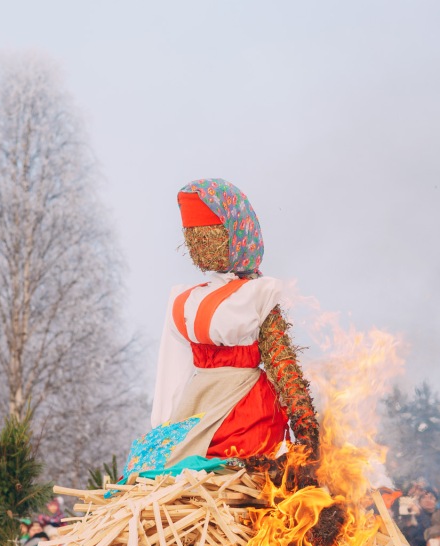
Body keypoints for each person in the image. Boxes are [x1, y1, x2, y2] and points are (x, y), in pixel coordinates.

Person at [116, 179, 320, 486]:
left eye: (208, 236)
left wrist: (304, 423)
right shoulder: (186, 299)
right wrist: (165, 425)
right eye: (193, 238)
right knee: (192, 467)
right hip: (205, 404)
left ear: (233, 235)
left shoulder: (253, 294)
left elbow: (281, 362)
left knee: (220, 469)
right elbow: (173, 368)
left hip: (241, 408)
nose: (200, 246)